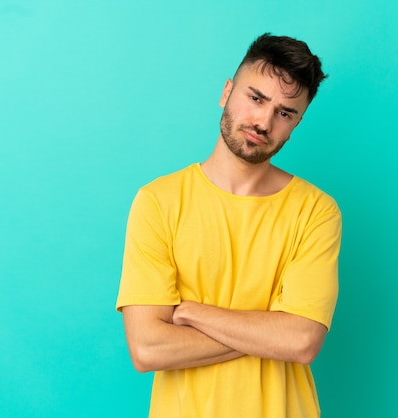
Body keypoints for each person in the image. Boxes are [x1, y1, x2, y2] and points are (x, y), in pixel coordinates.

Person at [116, 33, 342, 418]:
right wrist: (271, 333)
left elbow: (302, 341)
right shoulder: (158, 202)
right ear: (227, 92)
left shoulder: (316, 211)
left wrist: (191, 313)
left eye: (285, 113)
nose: (263, 121)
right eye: (256, 98)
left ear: (296, 123)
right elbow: (148, 349)